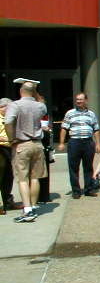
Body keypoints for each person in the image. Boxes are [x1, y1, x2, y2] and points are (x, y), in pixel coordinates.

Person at [4, 82, 47, 222]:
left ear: (21, 91)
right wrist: (35, 92)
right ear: (34, 92)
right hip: (37, 144)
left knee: (22, 178)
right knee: (35, 178)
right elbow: (42, 105)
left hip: (22, 144)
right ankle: (33, 207)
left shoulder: (15, 105)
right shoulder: (40, 105)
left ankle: (27, 209)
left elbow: (8, 121)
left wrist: (12, 139)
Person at [58, 92, 100, 199]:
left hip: (88, 142)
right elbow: (64, 128)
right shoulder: (70, 113)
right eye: (77, 99)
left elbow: (96, 129)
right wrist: (61, 143)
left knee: (88, 167)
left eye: (81, 99)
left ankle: (88, 189)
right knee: (73, 167)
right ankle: (76, 191)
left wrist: (98, 143)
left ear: (86, 100)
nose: (78, 101)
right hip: (74, 142)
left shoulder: (91, 114)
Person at [0, 97, 18, 213]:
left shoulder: (10, 118)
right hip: (1, 149)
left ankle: (7, 202)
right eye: (10, 108)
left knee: (8, 176)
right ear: (3, 107)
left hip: (10, 148)